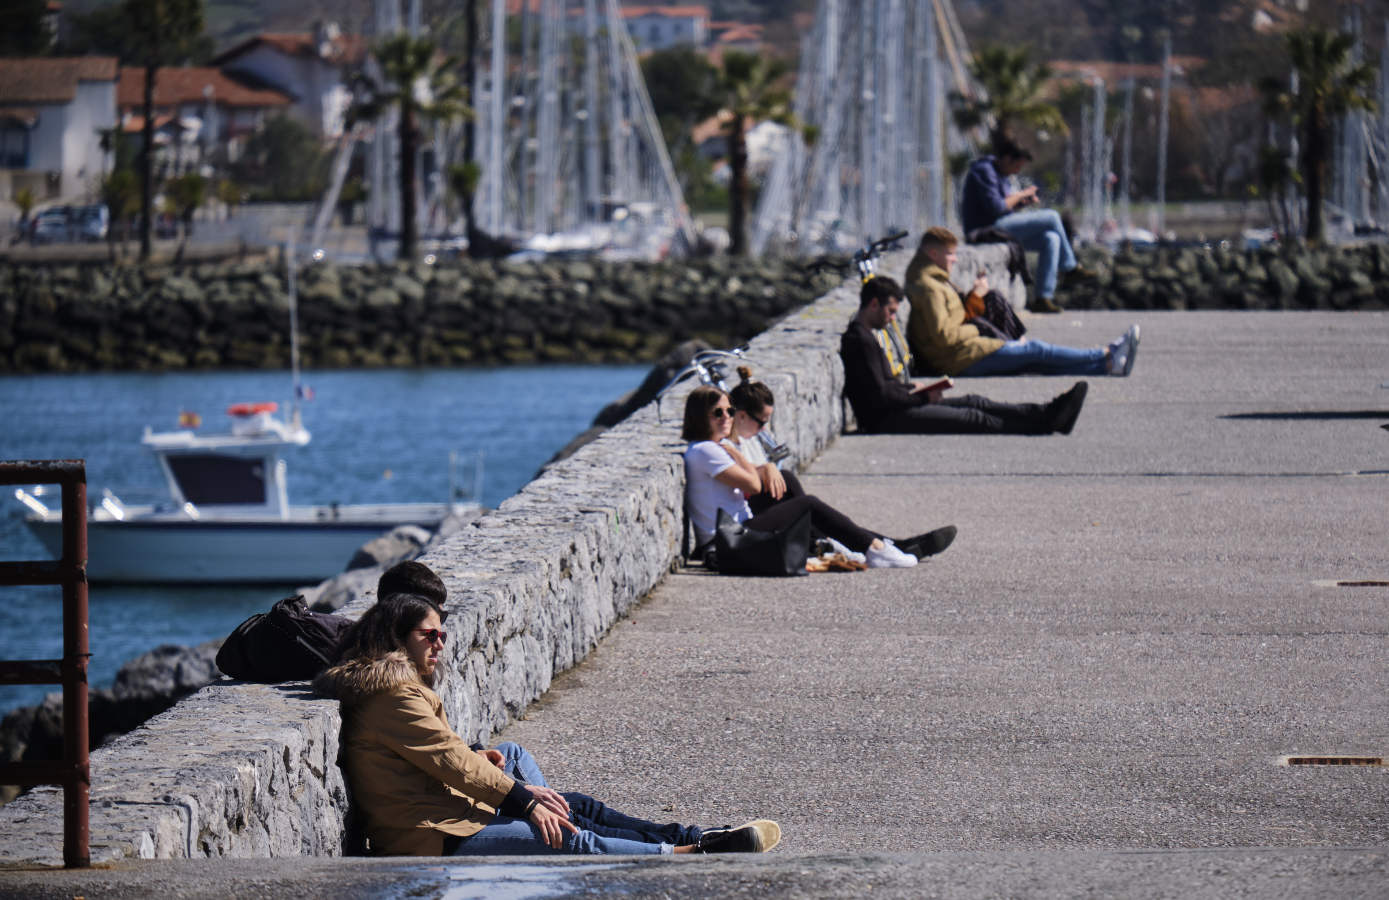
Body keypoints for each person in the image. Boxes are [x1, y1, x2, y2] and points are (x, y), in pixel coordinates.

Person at [316, 593, 781, 856]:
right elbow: (449, 760)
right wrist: (524, 801)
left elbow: (442, 757)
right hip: (431, 838)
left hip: (448, 809)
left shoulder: (399, 687)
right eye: (428, 636)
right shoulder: (392, 695)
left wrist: (496, 771)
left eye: (443, 634)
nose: (439, 644)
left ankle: (688, 833)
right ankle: (687, 855)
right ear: (397, 639)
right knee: (561, 834)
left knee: (562, 796)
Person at [682, 384, 956, 568]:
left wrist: (744, 456)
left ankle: (869, 543)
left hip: (737, 529)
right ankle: (873, 549)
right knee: (808, 504)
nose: (726, 417)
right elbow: (753, 483)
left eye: (729, 410)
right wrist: (738, 453)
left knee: (787, 480)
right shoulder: (707, 450)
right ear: (699, 417)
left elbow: (752, 483)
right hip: (728, 541)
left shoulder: (713, 448)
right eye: (718, 413)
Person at [842, 276, 1089, 435]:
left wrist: (911, 390)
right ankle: (1045, 424)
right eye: (890, 311)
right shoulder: (859, 340)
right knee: (973, 417)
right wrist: (922, 397)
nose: (892, 318)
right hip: (886, 419)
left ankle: (1046, 411)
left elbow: (883, 387)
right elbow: (880, 397)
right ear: (874, 304)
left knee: (975, 401)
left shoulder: (865, 334)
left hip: (897, 405)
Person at [904, 227, 1139, 378]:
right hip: (960, 360)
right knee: (1035, 351)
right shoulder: (929, 288)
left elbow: (948, 326)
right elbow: (944, 336)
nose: (955, 259)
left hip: (962, 354)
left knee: (1033, 359)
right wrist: (978, 326)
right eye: (950, 254)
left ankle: (1106, 366)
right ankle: (1106, 354)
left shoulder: (933, 281)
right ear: (933, 255)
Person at [961, 133, 1089, 313]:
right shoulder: (984, 171)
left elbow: (1005, 207)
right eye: (1017, 165)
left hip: (999, 226)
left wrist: (1021, 203)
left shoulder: (1000, 172)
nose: (1017, 171)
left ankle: (1043, 298)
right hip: (984, 230)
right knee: (1052, 217)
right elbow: (996, 207)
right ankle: (1069, 268)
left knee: (1051, 238)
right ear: (1006, 158)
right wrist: (1020, 195)